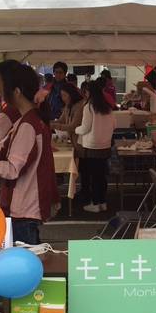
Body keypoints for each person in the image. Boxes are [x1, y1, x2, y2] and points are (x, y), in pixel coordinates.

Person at [0, 63, 60, 244]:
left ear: (16, 91)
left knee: (24, 257)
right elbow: (3, 152)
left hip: (24, 208)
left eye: (0, 84)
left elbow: (13, 169)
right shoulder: (28, 120)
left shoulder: (28, 124)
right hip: (25, 206)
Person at [75, 78, 116, 213]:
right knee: (101, 176)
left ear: (89, 92)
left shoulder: (89, 107)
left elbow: (85, 128)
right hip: (105, 145)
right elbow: (114, 125)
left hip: (92, 147)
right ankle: (102, 202)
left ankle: (95, 203)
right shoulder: (107, 107)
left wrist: (76, 129)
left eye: (86, 92)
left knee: (93, 176)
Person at [50, 83, 85, 151]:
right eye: (62, 95)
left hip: (81, 142)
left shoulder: (80, 106)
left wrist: (53, 126)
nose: (63, 98)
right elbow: (61, 121)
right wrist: (46, 122)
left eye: (65, 95)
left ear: (71, 94)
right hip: (73, 141)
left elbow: (73, 126)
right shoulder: (68, 105)